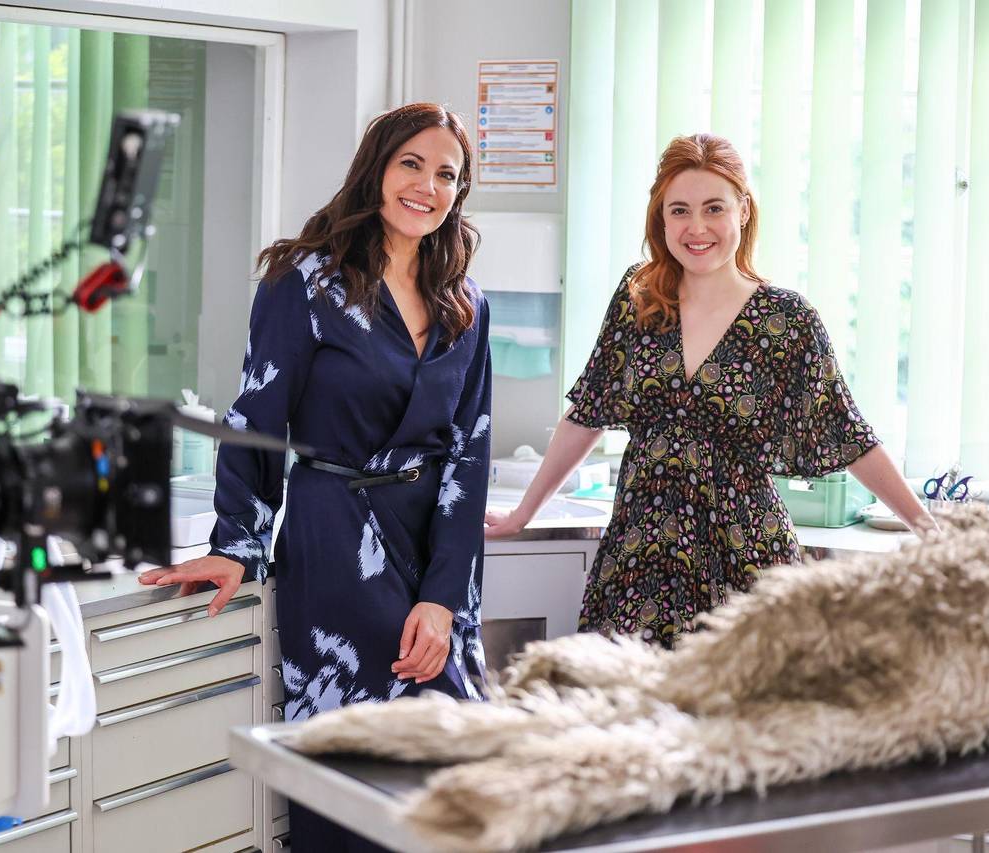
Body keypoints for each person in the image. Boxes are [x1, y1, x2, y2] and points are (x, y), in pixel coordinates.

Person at [139, 103, 491, 851]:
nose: (427, 186)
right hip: (336, 542)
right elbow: (256, 416)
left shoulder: (465, 303)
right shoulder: (305, 281)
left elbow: (470, 451)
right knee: (351, 765)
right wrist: (236, 545)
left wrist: (444, 596)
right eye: (412, 164)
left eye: (447, 175)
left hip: (433, 551)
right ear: (377, 168)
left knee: (457, 769)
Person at [485, 133, 931, 648]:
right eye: (680, 211)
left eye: (714, 208)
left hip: (745, 554)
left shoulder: (787, 320)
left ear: (743, 210)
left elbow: (848, 435)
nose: (696, 228)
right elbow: (588, 411)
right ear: (662, 220)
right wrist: (524, 513)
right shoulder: (639, 298)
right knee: (624, 694)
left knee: (743, 696)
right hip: (640, 553)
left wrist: (927, 529)